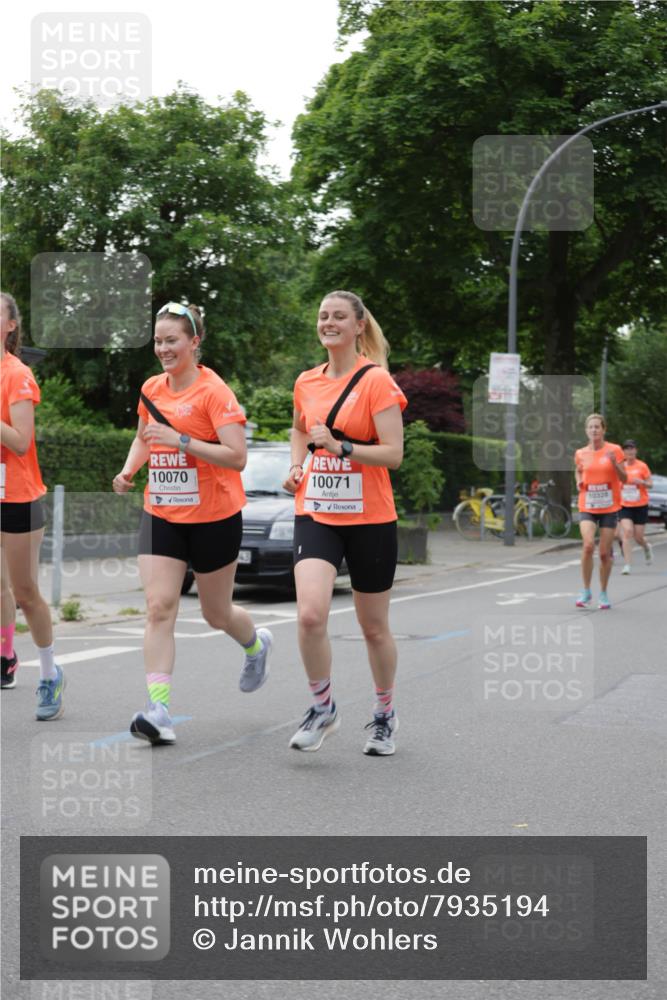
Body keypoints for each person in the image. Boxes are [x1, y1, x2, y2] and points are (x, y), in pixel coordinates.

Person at [112, 301, 272, 745]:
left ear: (193, 342)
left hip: (214, 516)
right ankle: (158, 709)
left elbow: (237, 456)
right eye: (158, 341)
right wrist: (129, 470)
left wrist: (183, 440)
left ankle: (256, 645)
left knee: (215, 612)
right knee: (160, 606)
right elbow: (144, 436)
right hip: (162, 510)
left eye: (172, 340)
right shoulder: (151, 388)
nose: (163, 348)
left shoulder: (214, 392)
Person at [283, 290, 407, 756]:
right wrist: (299, 463)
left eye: (339, 316)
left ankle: (384, 714)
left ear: (358, 326)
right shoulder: (306, 382)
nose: (329, 322)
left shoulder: (377, 382)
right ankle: (322, 707)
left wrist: (342, 448)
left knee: (373, 627)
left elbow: (394, 454)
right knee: (310, 613)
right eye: (323, 316)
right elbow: (299, 427)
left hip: (370, 517)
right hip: (316, 509)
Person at [0, 292, 64, 718]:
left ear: (10, 325)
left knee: (25, 593)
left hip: (17, 496)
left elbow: (21, 442)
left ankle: (49, 673)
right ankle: (7, 656)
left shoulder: (18, 374)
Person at [574, 413, 627, 610]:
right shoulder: (580, 453)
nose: (594, 430)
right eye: (591, 427)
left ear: (603, 429)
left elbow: (625, 479)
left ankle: (603, 593)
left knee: (604, 554)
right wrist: (578, 480)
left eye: (598, 427)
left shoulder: (615, 450)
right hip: (587, 505)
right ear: (586, 431)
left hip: (609, 508)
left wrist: (614, 463)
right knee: (588, 545)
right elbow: (578, 469)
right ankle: (586, 591)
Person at [617, 439, 653, 574]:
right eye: (626, 449)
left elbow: (651, 484)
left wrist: (642, 482)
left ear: (636, 451)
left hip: (640, 505)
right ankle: (627, 565)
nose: (629, 451)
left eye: (632, 448)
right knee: (627, 532)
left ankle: (646, 547)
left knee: (638, 537)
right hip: (624, 505)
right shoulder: (620, 467)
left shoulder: (642, 466)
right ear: (623, 452)